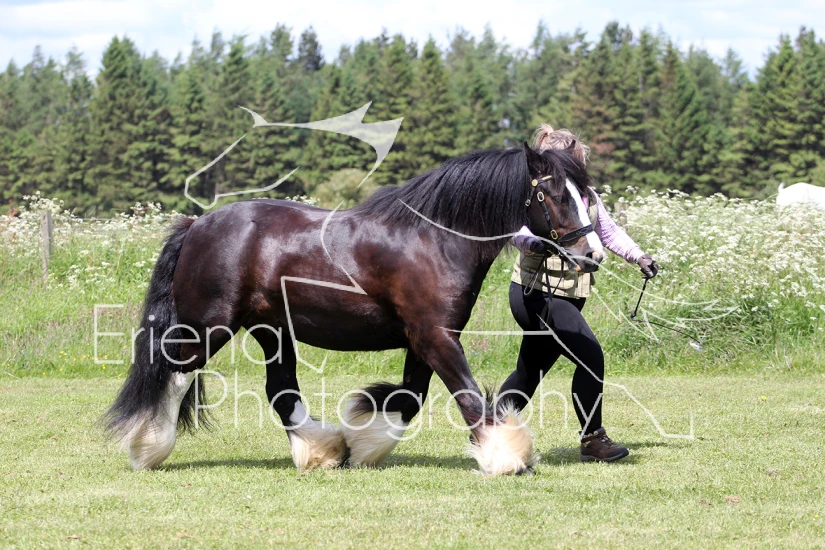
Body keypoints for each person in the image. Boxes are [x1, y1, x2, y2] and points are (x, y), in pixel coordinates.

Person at [500, 125, 658, 462]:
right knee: (591, 357)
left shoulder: (585, 196)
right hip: (537, 293)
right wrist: (535, 243)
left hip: (568, 295)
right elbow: (517, 231)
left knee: (529, 373)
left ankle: (489, 426)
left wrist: (638, 256)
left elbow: (608, 232)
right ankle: (593, 439)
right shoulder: (534, 192)